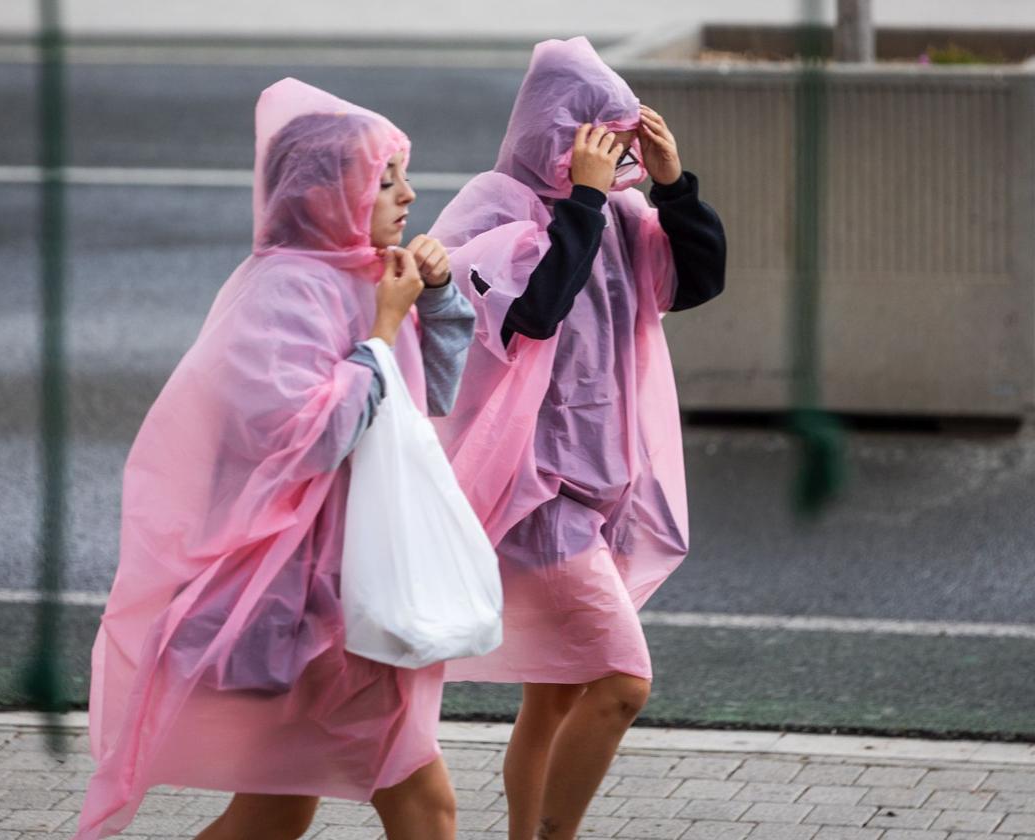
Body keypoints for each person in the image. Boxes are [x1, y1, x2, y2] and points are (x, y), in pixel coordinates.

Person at [72, 77, 475, 840]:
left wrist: (437, 296)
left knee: (275, 812)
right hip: (309, 602)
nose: (409, 194)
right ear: (331, 193)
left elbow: (431, 396)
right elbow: (309, 437)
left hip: (342, 592)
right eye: (384, 179)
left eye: (400, 175)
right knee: (422, 805)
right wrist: (383, 334)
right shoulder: (284, 292)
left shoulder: (362, 273)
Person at [429, 37, 727, 840]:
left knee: (557, 692)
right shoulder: (495, 209)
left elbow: (698, 280)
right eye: (597, 136)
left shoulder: (627, 214)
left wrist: (672, 185)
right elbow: (532, 310)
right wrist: (585, 204)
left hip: (603, 485)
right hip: (536, 494)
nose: (611, 155)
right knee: (622, 683)